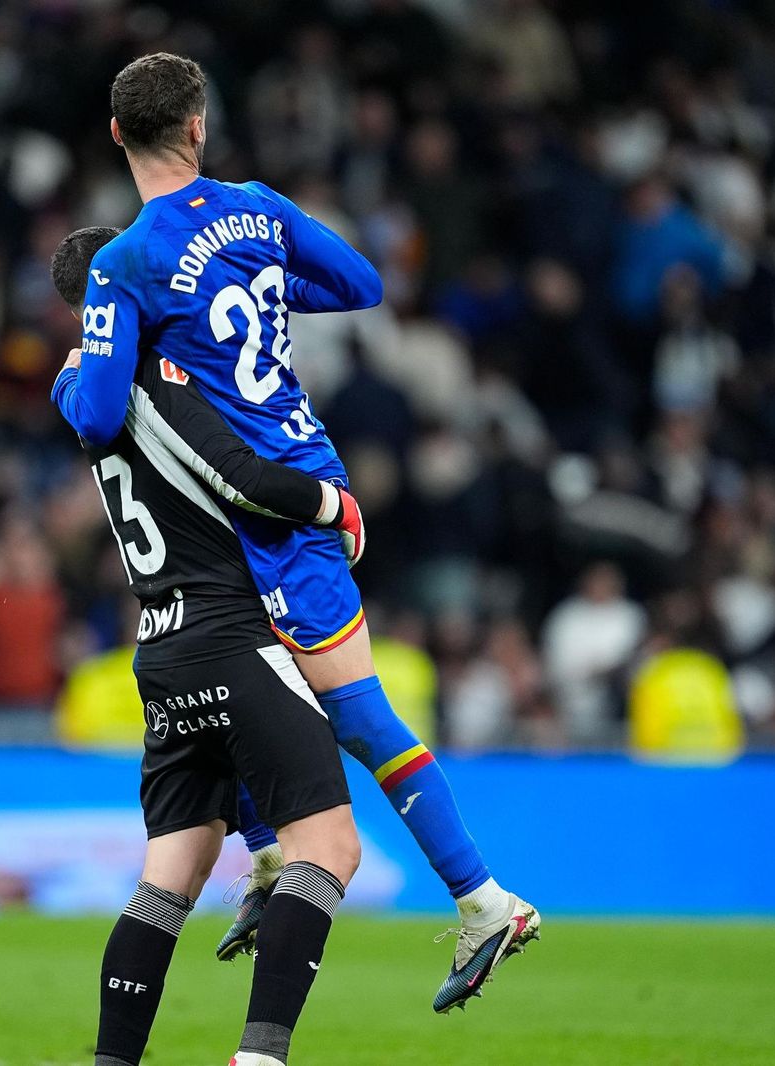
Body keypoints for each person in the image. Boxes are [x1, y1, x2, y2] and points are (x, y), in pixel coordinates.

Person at [51, 54, 536, 1014]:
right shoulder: (258, 208)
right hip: (276, 484)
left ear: (115, 135)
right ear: (199, 126)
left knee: (352, 709)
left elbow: (100, 417)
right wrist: (261, 287)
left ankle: (484, 900)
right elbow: (361, 283)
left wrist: (78, 372)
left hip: (274, 501)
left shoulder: (126, 263)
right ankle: (272, 857)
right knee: (243, 687)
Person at [50, 227, 364, 1066]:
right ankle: (259, 1058)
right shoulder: (160, 378)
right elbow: (242, 476)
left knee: (171, 874)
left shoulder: (80, 388)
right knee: (329, 846)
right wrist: (333, 504)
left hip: (160, 646)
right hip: (228, 635)